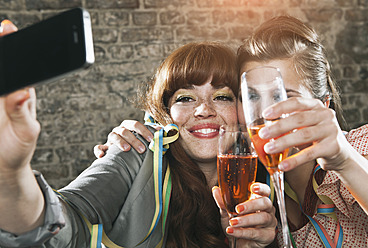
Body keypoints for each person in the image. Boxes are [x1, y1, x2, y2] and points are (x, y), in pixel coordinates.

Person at [95, 16, 368, 247]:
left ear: (323, 105)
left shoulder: (360, 148)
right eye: (251, 96)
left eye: (284, 95)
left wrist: (345, 160)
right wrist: (136, 135)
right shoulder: (251, 186)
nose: (263, 113)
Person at [0, 19, 277, 248]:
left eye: (221, 97)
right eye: (185, 98)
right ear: (165, 113)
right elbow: (67, 221)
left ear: (243, 109)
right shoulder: (137, 152)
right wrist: (12, 175)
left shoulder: (268, 173)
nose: (204, 110)